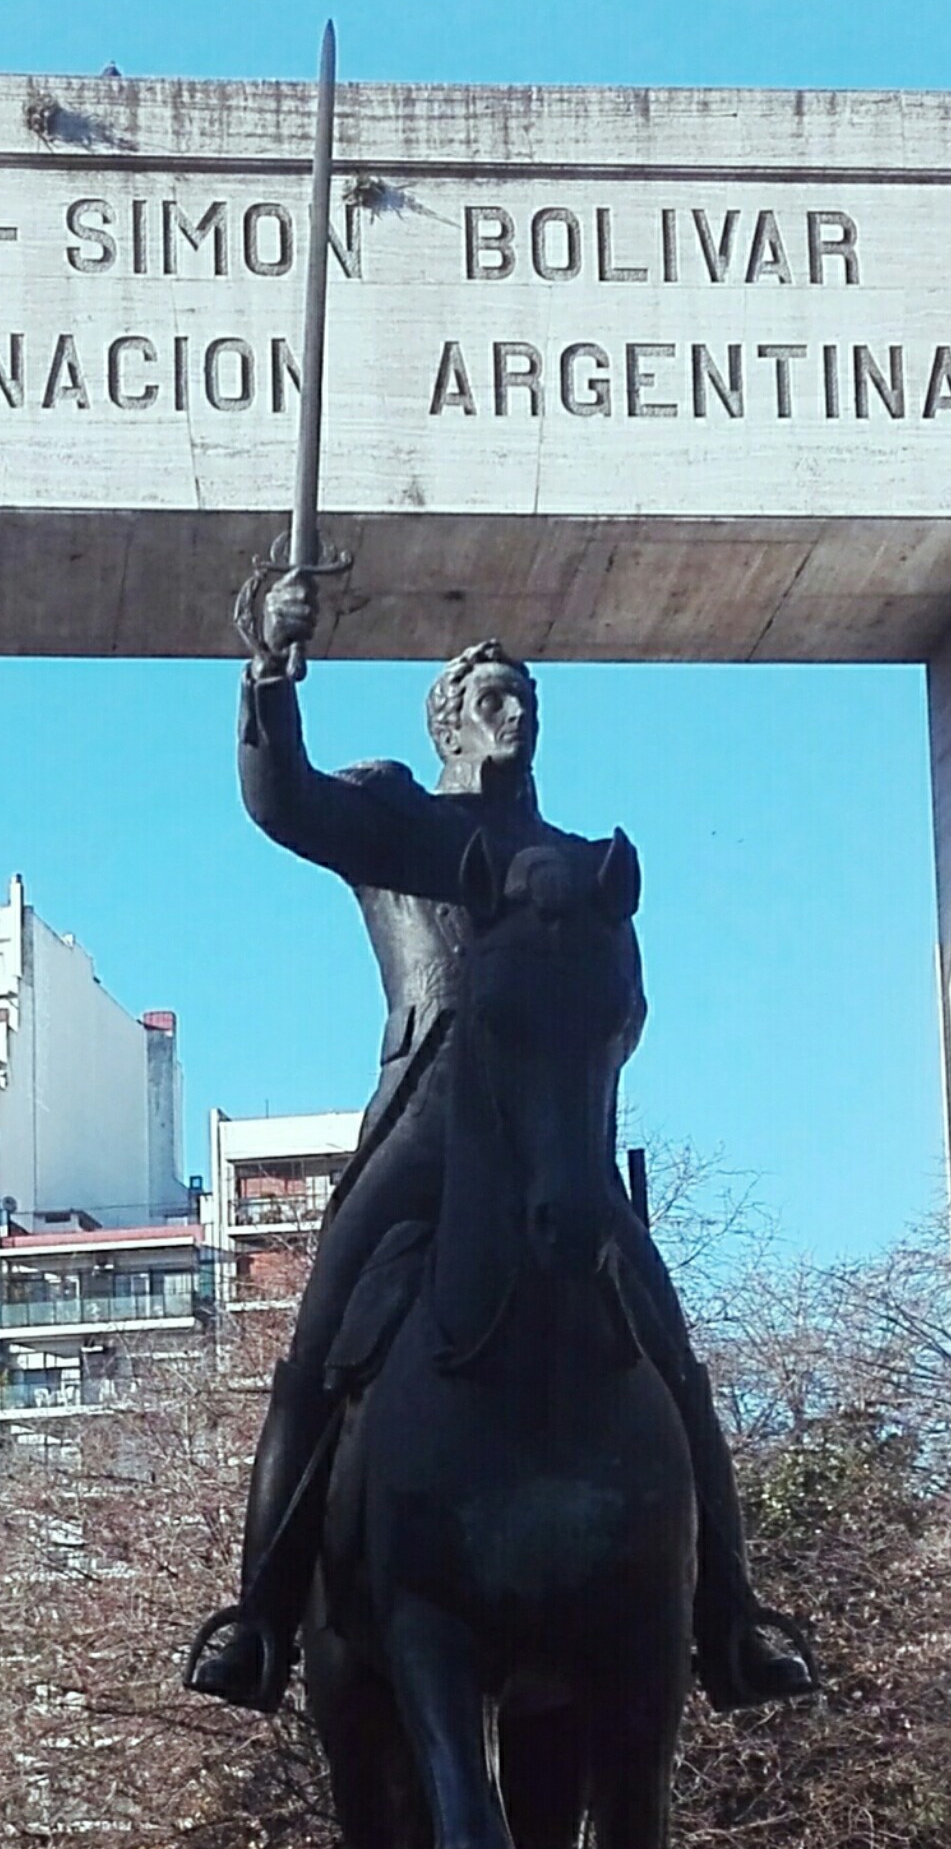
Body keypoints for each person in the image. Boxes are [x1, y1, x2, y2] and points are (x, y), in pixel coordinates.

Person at [187, 577, 814, 1714]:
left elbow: (618, 1012)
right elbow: (283, 801)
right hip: (424, 1132)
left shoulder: (578, 862)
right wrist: (273, 674)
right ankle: (261, 1616)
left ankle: (730, 1613)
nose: (514, 715)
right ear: (449, 720)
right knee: (321, 1341)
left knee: (670, 1349)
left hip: (547, 1145)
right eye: (491, 697)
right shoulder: (397, 818)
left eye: (524, 697)